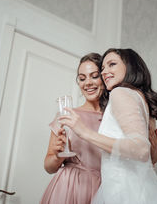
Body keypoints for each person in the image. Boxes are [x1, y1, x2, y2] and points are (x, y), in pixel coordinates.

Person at [59, 48, 157, 204]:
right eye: (103, 68)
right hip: (139, 188)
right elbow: (152, 157)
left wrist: (83, 132)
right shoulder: (140, 99)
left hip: (123, 191)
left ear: (130, 66)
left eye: (111, 64)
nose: (105, 72)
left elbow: (141, 149)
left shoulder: (120, 93)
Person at [40, 53, 105, 204]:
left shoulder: (113, 119)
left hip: (103, 191)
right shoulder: (66, 115)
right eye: (82, 78)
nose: (87, 83)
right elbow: (48, 167)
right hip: (69, 188)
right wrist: (57, 156)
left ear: (104, 77)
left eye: (94, 76)